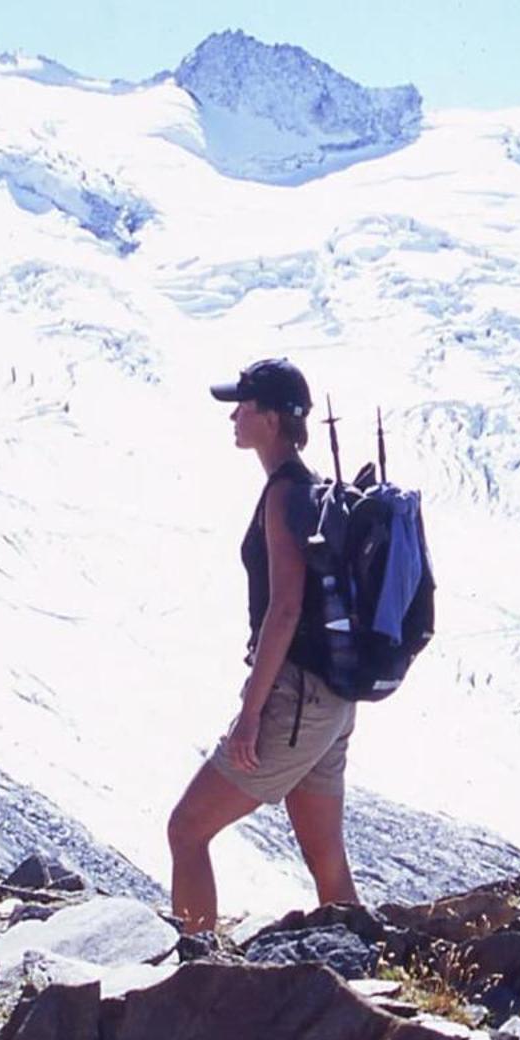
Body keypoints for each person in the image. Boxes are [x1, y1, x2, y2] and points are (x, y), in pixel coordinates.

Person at [167, 357, 360, 934]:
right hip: (330, 699)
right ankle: (370, 978)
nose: (234, 415)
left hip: (294, 700)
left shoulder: (283, 496)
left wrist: (250, 715)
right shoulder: (309, 491)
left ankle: (198, 975)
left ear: (272, 419)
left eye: (245, 406)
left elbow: (285, 610)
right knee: (327, 863)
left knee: (187, 829)